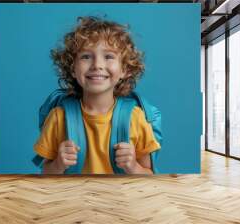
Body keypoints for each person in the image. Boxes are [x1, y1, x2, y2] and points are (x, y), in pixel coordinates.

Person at [34, 16, 160, 174]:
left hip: (121, 197)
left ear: (124, 69)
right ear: (73, 69)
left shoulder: (137, 118)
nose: (97, 65)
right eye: (86, 56)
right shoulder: (58, 118)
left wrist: (133, 166)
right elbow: (46, 173)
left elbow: (150, 175)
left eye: (108, 56)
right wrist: (58, 164)